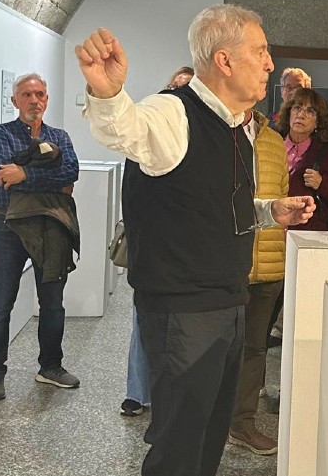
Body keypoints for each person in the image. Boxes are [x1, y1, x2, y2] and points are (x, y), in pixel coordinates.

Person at [77, 5, 314, 476]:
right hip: (183, 311)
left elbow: (212, 202)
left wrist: (270, 210)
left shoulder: (236, 125)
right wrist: (108, 95)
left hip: (226, 301)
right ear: (224, 61)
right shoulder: (173, 111)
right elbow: (127, 130)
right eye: (261, 51)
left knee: (208, 437)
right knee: (179, 445)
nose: (270, 64)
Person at [0, 73, 80, 401]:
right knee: (0, 303)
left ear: (47, 99)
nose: (34, 100)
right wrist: (44, 175)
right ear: (15, 101)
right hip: (7, 226)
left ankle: (50, 367)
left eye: (39, 94)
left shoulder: (60, 136)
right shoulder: (1, 134)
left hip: (50, 226)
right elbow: (3, 175)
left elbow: (70, 173)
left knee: (52, 303)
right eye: (27, 95)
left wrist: (24, 172)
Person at [122, 68, 194, 417]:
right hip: (153, 250)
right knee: (144, 322)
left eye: (185, 88)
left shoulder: (198, 139)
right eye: (174, 86)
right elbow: (134, 194)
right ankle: (137, 392)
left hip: (187, 254)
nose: (177, 93)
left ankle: (169, 399)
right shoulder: (146, 136)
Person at [227, 108, 289, 455]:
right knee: (210, 348)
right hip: (221, 264)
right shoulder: (212, 130)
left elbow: (281, 192)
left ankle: (242, 425)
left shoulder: (273, 140)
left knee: (254, 350)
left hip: (266, 263)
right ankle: (205, 423)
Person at [276, 87, 328, 231]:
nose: (301, 115)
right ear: (289, 113)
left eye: (310, 111)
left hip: (310, 237)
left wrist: (322, 183)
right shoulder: (272, 146)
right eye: (297, 108)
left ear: (318, 122)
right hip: (272, 234)